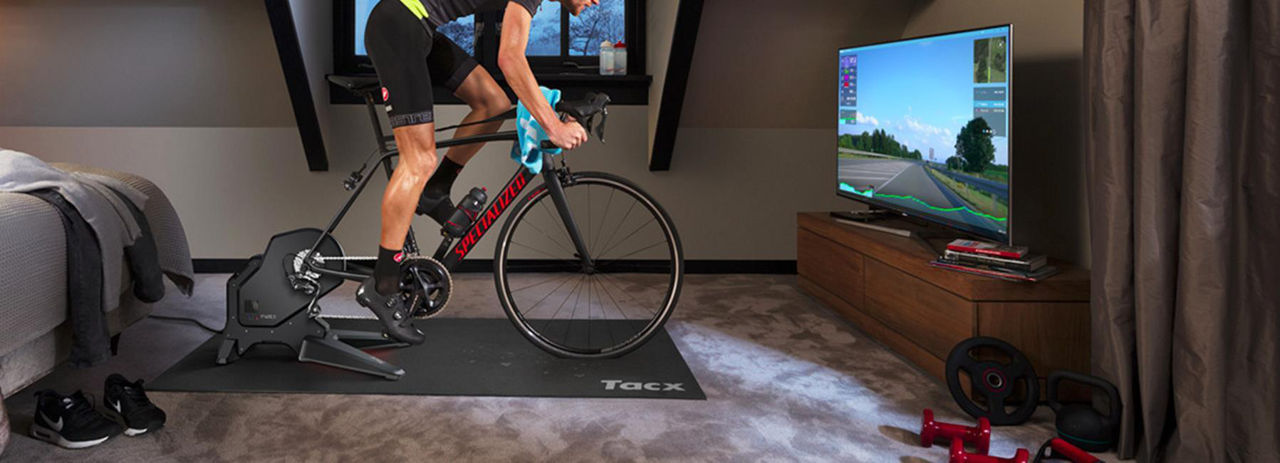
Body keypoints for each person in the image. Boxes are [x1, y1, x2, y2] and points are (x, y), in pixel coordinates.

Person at [357, 0, 596, 344]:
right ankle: (384, 285)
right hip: (399, 24)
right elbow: (510, 59)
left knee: (493, 104)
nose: (596, 1)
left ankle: (436, 190)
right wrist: (554, 128)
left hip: (420, 28)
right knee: (418, 160)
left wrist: (551, 113)